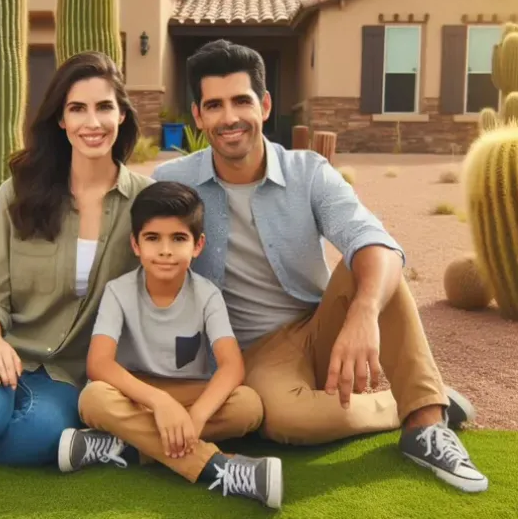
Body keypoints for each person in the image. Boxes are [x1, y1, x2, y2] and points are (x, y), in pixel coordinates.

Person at [149, 39, 488, 494]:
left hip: (319, 323)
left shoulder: (308, 172)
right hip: (252, 351)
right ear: (198, 116)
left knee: (372, 257)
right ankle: (416, 399)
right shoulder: (173, 183)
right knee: (286, 422)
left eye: (241, 101)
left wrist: (364, 313)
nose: (229, 118)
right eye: (214, 105)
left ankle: (425, 425)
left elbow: (373, 241)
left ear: (264, 105)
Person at [0, 51, 153, 466]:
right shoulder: (18, 192)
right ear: (61, 120)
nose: (92, 123)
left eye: (104, 107)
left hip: (67, 374)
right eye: (77, 108)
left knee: (40, 438)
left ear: (121, 116)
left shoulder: (145, 203)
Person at [58, 181, 283, 509]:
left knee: (248, 406)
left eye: (178, 238)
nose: (165, 250)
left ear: (197, 245)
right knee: (93, 398)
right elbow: (100, 365)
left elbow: (232, 366)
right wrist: (160, 403)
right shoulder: (119, 291)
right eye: (153, 238)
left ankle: (125, 446)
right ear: (135, 244)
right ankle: (219, 467)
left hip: (188, 396)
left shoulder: (207, 295)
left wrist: (196, 418)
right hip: (134, 395)